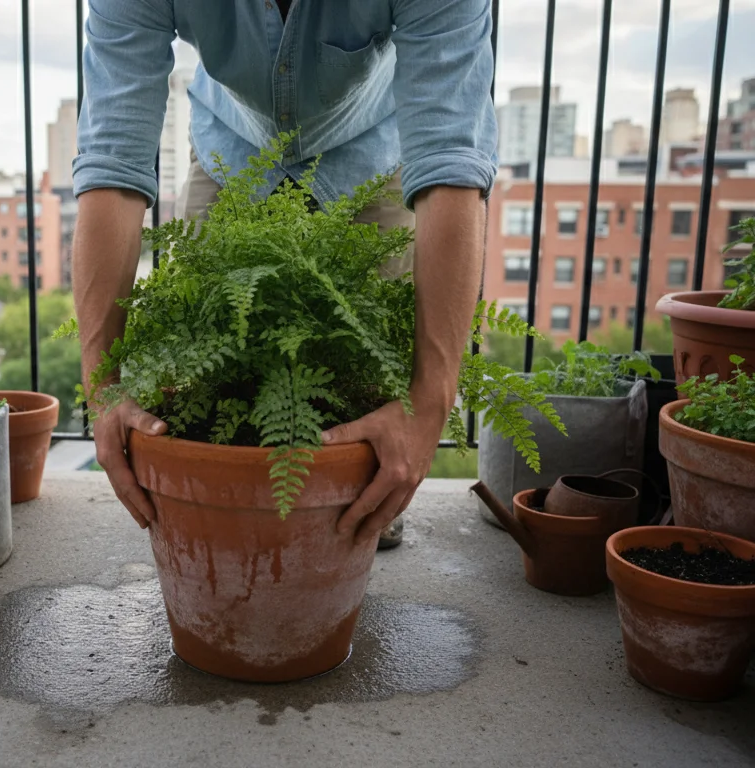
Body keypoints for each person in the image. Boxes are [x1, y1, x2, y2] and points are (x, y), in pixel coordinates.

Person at [71, 0, 497, 549]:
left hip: (370, 150)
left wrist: (429, 405)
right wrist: (103, 388)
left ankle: (337, 535)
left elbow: (451, 157)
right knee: (207, 379)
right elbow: (112, 161)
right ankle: (228, 532)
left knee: (370, 388)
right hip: (232, 146)